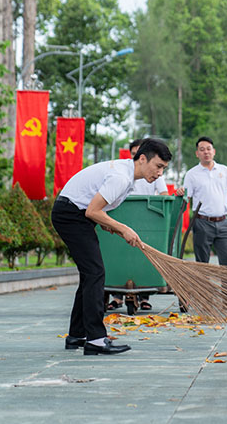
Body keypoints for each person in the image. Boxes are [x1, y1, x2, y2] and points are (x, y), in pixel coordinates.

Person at [52, 138, 172, 355]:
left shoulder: (127, 176)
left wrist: (115, 228)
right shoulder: (121, 177)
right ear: (142, 159)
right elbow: (92, 211)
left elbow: (97, 212)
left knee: (91, 275)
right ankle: (96, 339)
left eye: (163, 168)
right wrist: (124, 228)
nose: (160, 173)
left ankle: (77, 335)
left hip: (75, 214)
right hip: (70, 215)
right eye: (158, 166)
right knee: (96, 273)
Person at [106, 138, 169, 313]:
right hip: (121, 218)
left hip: (147, 219)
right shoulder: (123, 176)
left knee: (140, 258)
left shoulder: (154, 175)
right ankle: (116, 295)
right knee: (117, 256)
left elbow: (164, 194)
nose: (159, 172)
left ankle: (144, 296)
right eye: (134, 153)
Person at [179, 136, 227, 267]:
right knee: (202, 265)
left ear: (214, 151)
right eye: (202, 150)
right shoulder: (191, 174)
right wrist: (181, 193)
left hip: (223, 223)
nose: (206, 152)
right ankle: (203, 288)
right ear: (197, 153)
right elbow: (186, 198)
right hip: (201, 223)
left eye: (208, 149)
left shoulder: (224, 170)